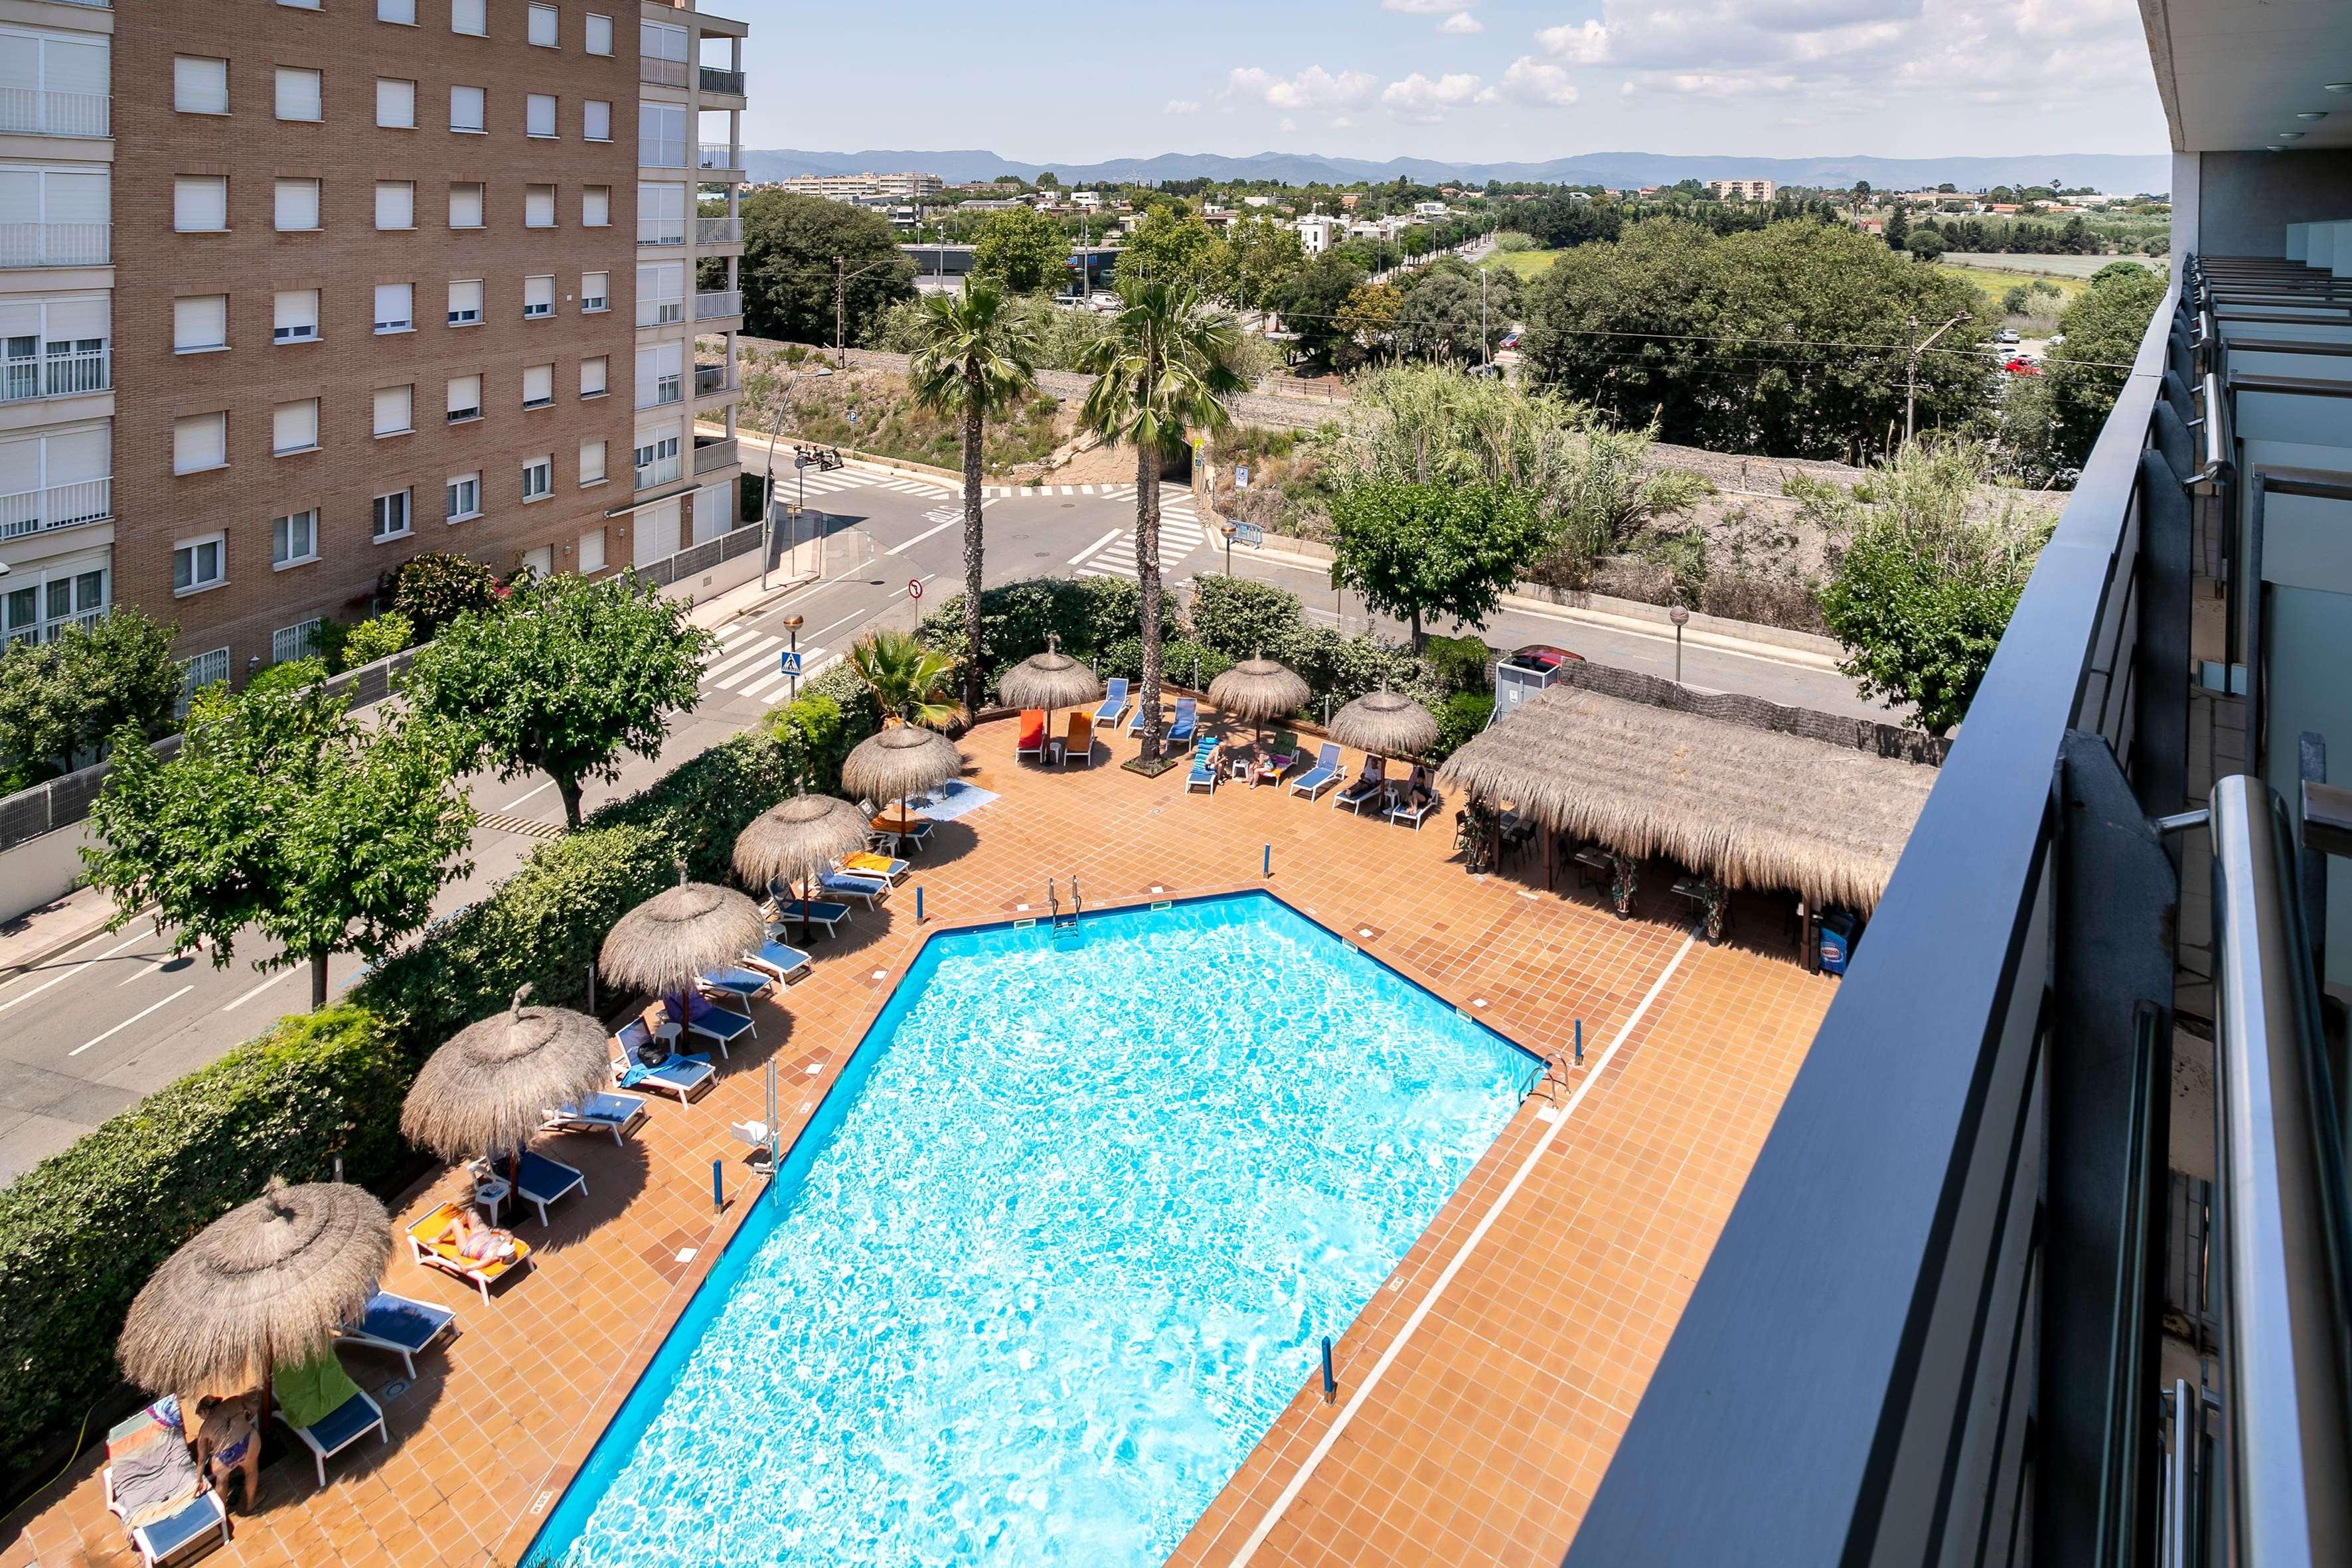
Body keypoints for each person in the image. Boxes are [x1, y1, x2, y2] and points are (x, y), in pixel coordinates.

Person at [193, 1392, 261, 1512]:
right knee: (251, 1471)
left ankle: (223, 1513)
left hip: (224, 1456)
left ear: (204, 1411)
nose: (202, 1419)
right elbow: (254, 1407)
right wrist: (247, 1419)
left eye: (200, 1416)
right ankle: (250, 1505)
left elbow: (202, 1460)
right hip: (247, 1441)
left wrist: (198, 1480)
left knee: (221, 1481)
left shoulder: (204, 1429)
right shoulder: (234, 1401)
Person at [448, 1205, 519, 1264]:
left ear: (501, 1258)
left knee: (455, 1222)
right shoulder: (506, 1243)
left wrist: (457, 1261)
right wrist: (493, 1230)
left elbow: (466, 1269)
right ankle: (460, 1225)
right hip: (483, 1234)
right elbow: (508, 1234)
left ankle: (438, 1240)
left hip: (467, 1247)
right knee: (470, 1211)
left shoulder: (490, 1258)